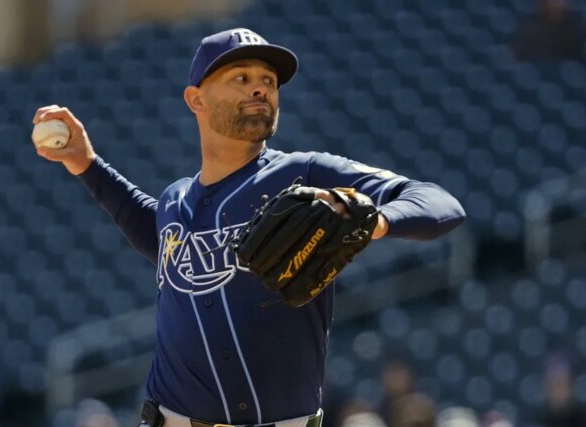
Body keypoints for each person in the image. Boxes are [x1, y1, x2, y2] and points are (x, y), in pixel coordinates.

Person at [32, 28, 466, 427]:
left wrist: (375, 220)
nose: (260, 87)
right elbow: (152, 228)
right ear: (196, 100)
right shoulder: (175, 201)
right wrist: (87, 164)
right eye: (241, 77)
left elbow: (440, 202)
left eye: (269, 81)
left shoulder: (304, 174)